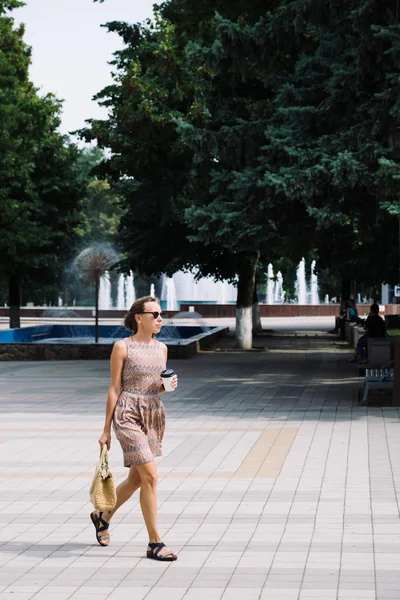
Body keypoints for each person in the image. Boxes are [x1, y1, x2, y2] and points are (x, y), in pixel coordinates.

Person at [91, 296, 178, 561]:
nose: (160, 318)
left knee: (138, 478)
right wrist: (106, 430)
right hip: (127, 414)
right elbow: (114, 388)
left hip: (153, 413)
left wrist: (166, 386)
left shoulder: (162, 349)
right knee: (151, 475)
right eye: (155, 314)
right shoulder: (122, 347)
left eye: (161, 314)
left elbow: (156, 386)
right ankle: (155, 543)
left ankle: (101, 516)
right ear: (139, 318)